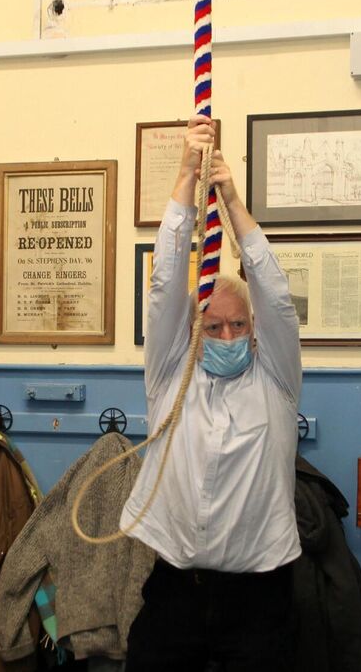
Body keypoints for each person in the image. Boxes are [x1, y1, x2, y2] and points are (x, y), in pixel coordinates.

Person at [120, 114, 303, 671]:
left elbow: (273, 294)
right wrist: (183, 180)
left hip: (259, 600)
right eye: (213, 326)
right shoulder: (171, 375)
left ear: (253, 329)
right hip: (174, 591)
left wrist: (233, 205)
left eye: (238, 326)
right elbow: (166, 285)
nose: (226, 336)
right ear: (195, 330)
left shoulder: (275, 380)